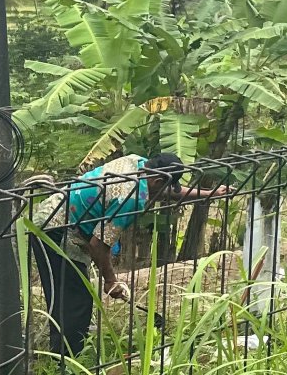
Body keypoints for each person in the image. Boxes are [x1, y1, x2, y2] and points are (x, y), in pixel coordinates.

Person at [28, 152, 188, 357]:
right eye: (166, 187)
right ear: (158, 181)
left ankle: (63, 350)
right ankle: (66, 361)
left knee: (67, 294)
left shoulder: (136, 162)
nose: (165, 193)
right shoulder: (130, 199)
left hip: (57, 209)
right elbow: (98, 245)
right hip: (56, 228)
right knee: (75, 300)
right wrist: (111, 280)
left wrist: (209, 192)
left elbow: (164, 191)